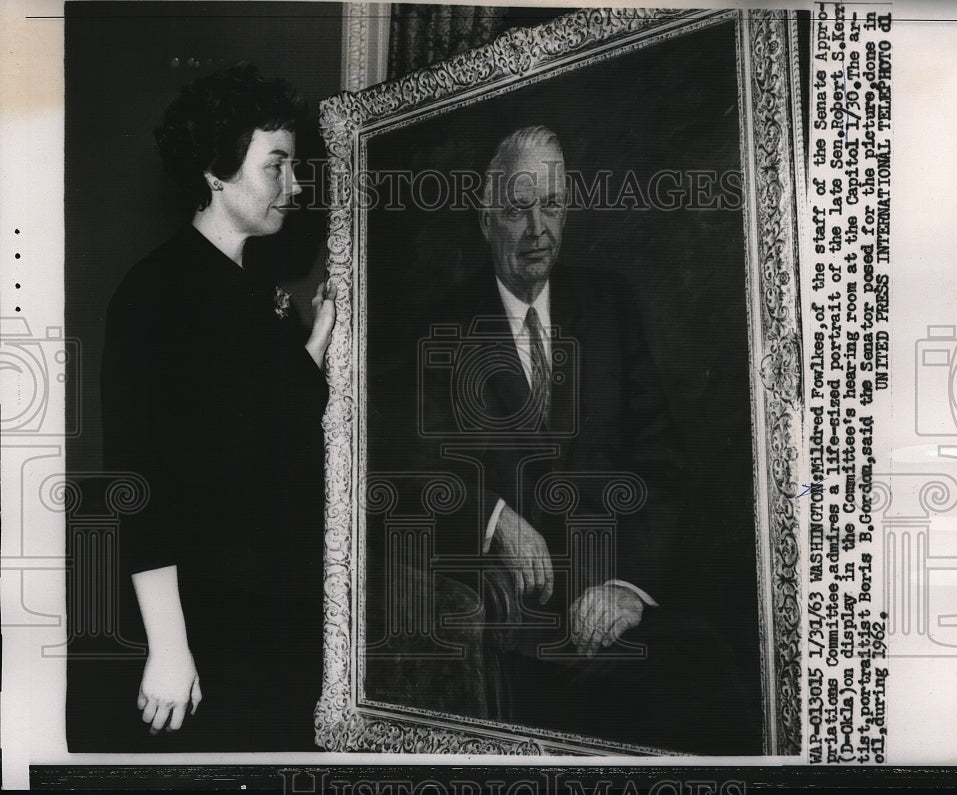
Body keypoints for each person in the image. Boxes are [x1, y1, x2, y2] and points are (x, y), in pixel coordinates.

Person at [394, 126, 759, 753]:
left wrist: (627, 586)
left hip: (619, 593)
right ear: (486, 220)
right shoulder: (442, 327)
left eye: (553, 205)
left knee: (717, 671)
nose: (538, 228)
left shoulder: (610, 304)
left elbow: (661, 464)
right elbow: (411, 468)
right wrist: (492, 518)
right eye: (517, 207)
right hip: (524, 621)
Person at [96, 64, 335, 751]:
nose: (295, 185)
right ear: (214, 171)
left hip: (279, 613)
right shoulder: (155, 292)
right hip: (205, 620)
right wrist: (169, 647)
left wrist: (317, 338)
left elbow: (270, 424)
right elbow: (137, 482)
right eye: (277, 166)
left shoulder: (253, 293)